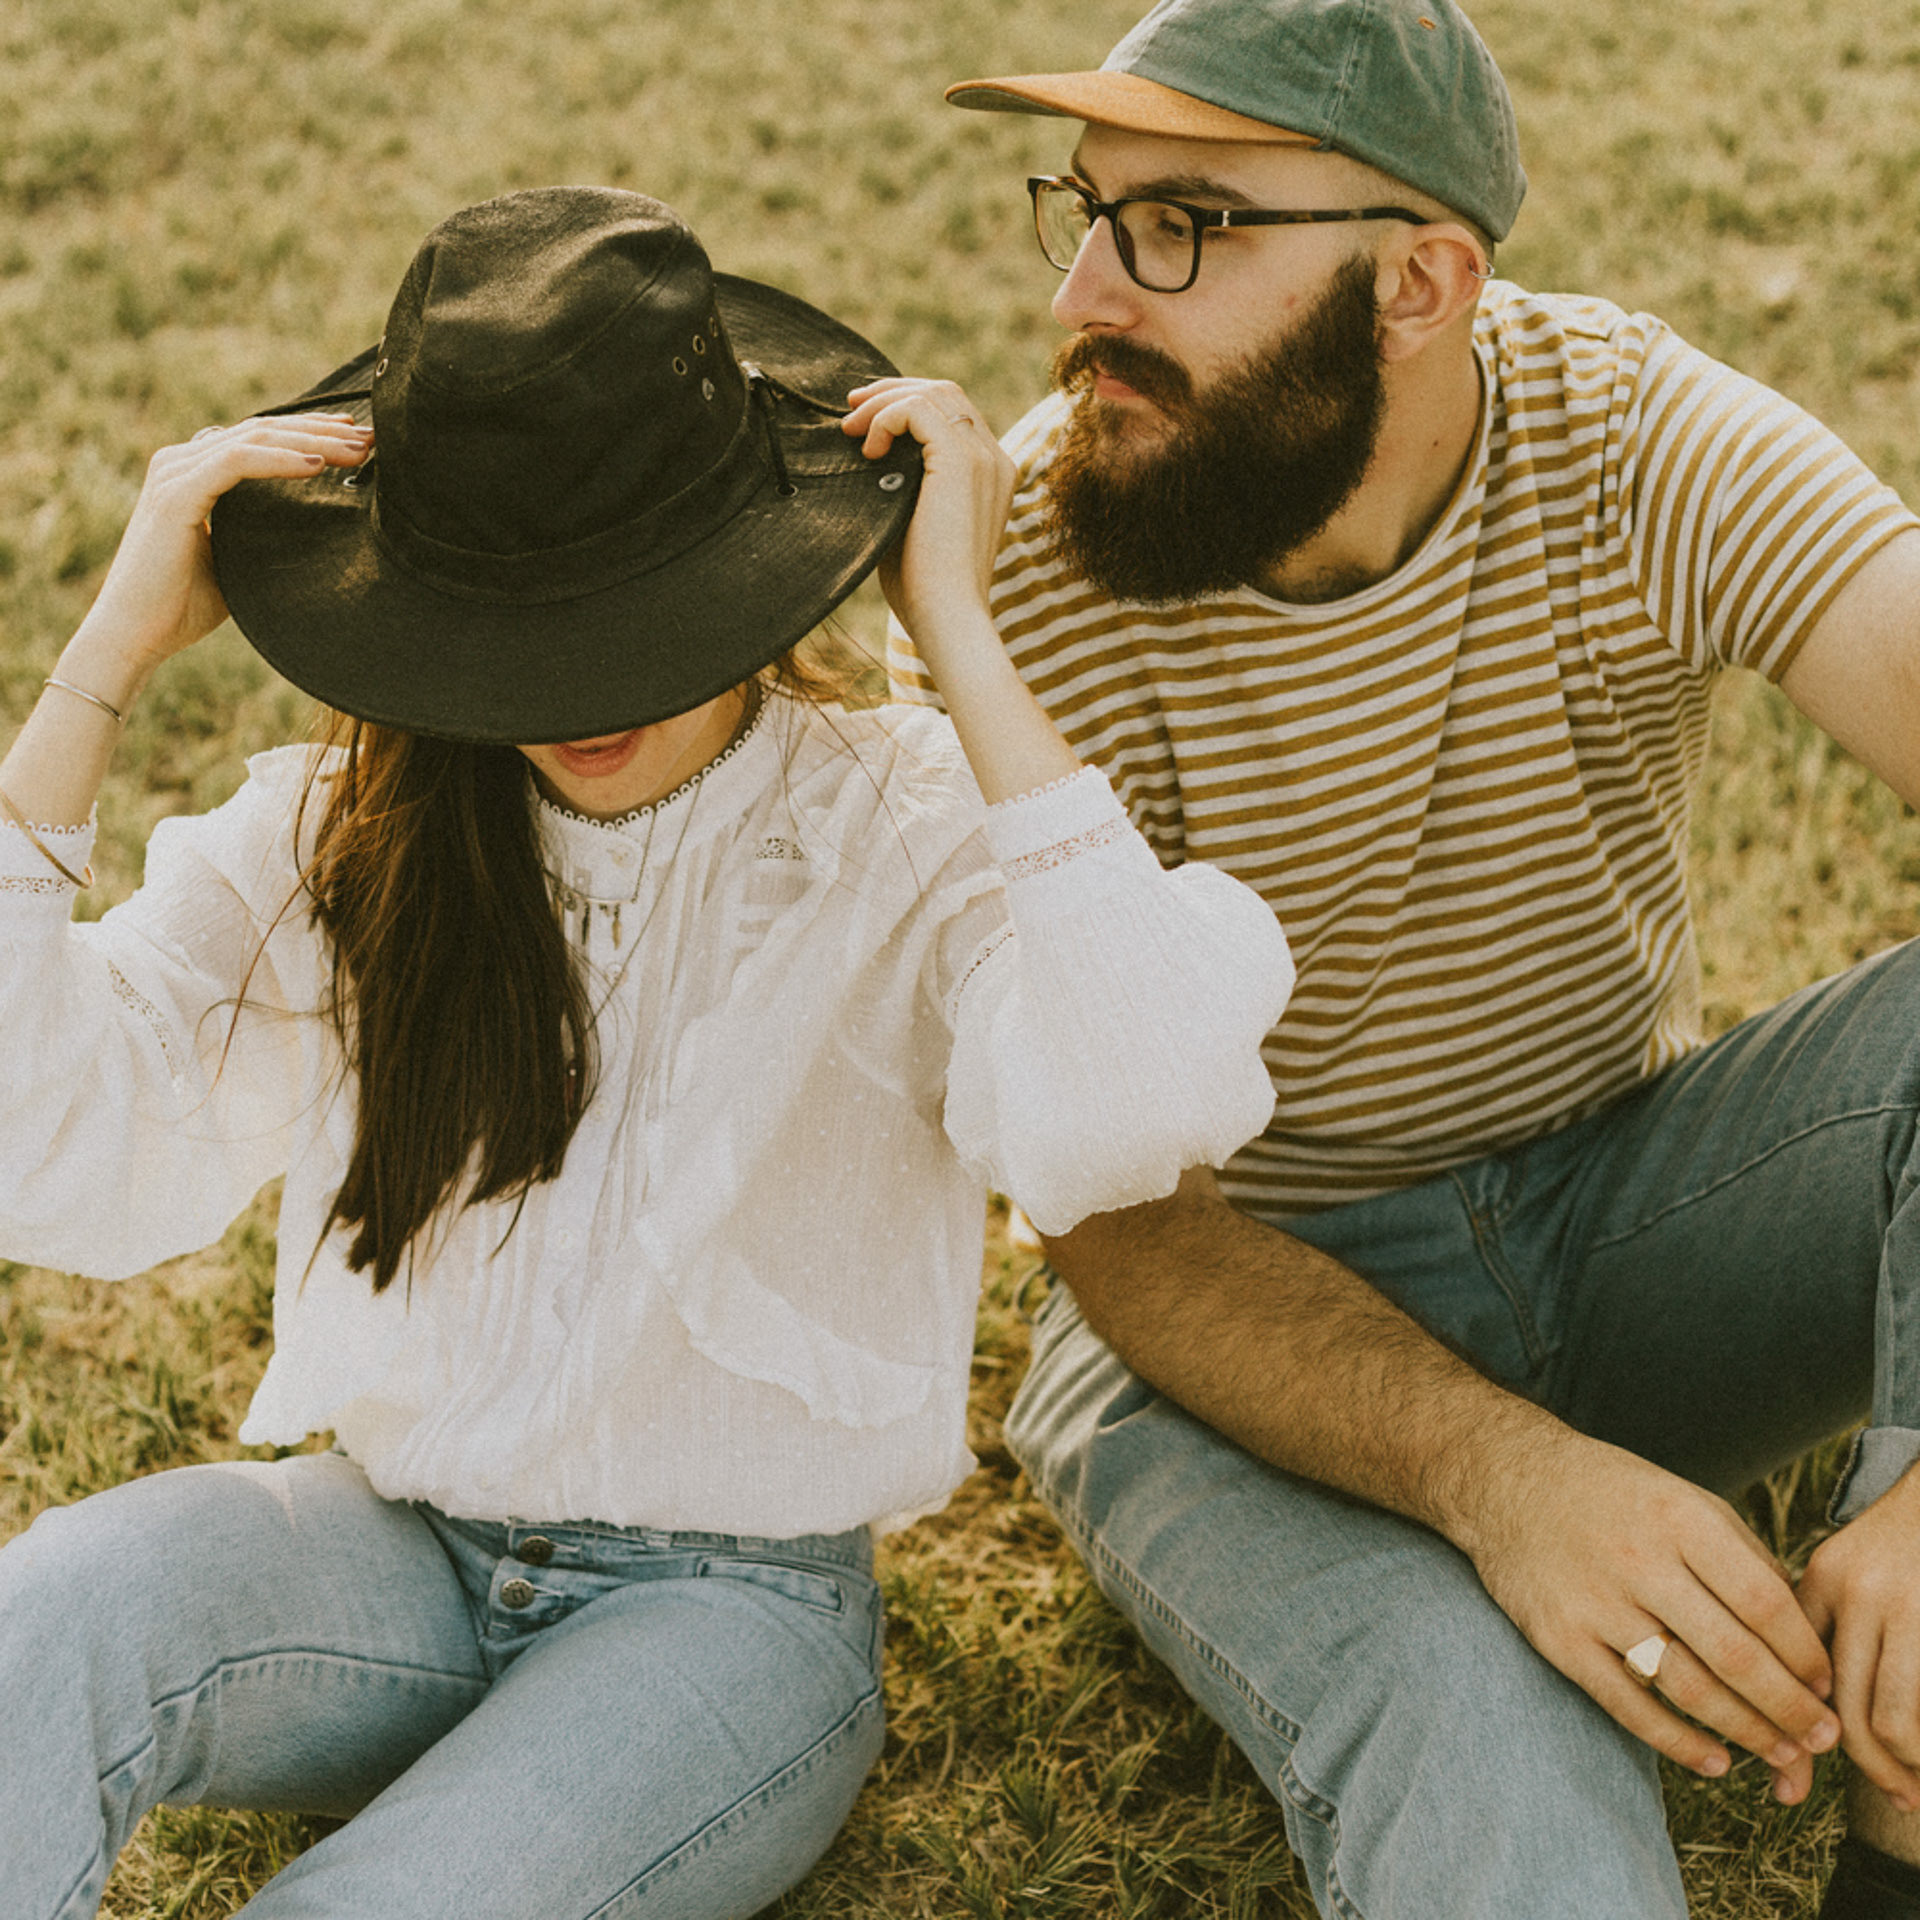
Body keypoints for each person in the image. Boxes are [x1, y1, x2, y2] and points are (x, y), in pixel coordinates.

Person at [0, 186, 1294, 1918]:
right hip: (395, 1549)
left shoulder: (906, 828)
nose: (586, 693)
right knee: (44, 1619)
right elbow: (35, 1135)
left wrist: (959, 633)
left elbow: (1142, 1102)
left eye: (636, 615)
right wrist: (102, 660)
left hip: (730, 1617)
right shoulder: (353, 825)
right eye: (527, 632)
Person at [885, 2, 1920, 1914]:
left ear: (1421, 283)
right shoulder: (1009, 581)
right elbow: (1121, 1232)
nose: (1085, 296)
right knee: (1478, 1720)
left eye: (1181, 227)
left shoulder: (1624, 433)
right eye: (1090, 213)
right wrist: (1504, 1477)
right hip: (1218, 1331)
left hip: (1628, 1214)